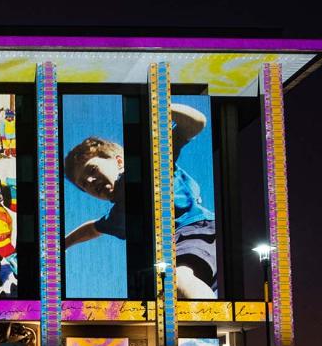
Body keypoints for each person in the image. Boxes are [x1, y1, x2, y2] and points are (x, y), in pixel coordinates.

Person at [63, 104, 215, 299]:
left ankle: (205, 315)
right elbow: (93, 228)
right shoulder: (118, 215)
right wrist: (63, 244)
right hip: (170, 253)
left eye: (92, 170)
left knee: (177, 280)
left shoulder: (146, 167)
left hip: (193, 230)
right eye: (84, 184)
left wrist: (157, 105)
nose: (90, 181)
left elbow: (196, 123)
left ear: (119, 162)